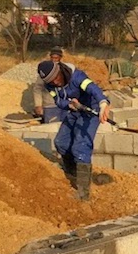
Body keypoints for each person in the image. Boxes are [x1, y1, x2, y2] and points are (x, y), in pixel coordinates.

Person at [37, 59, 110, 200]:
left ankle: (83, 194)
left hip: (91, 109)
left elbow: (92, 88)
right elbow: (58, 101)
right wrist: (69, 104)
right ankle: (73, 174)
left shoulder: (77, 77)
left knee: (80, 147)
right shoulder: (50, 84)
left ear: (60, 70)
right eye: (51, 81)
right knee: (61, 142)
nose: (56, 82)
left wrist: (102, 103)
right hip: (75, 110)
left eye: (57, 78)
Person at [32, 46, 76, 122]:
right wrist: (38, 105)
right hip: (50, 105)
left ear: (60, 58)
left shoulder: (65, 70)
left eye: (56, 58)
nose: (54, 60)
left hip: (66, 104)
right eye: (52, 57)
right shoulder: (46, 71)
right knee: (52, 126)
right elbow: (37, 88)